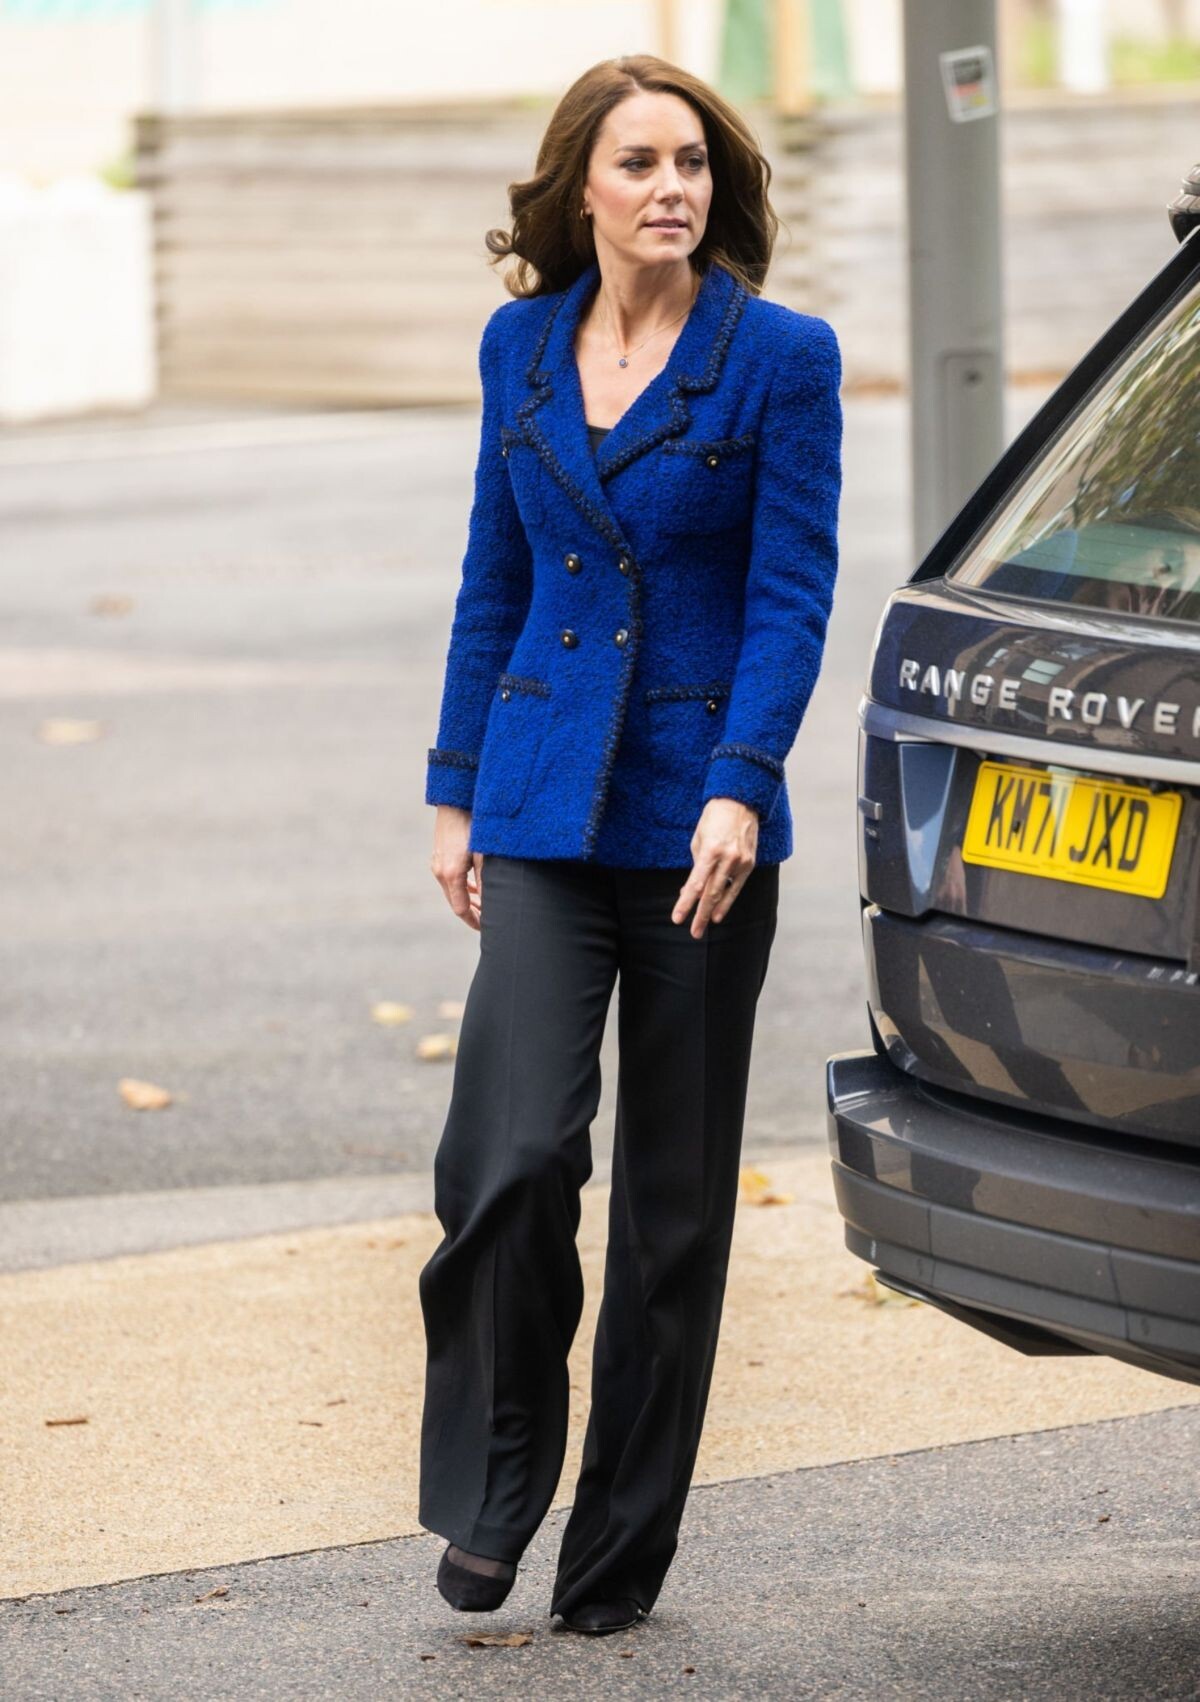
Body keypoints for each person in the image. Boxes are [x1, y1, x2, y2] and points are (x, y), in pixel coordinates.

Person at [418, 52, 842, 1636]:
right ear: (579, 190)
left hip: (698, 827)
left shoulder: (779, 359)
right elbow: (495, 572)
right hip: (538, 799)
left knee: (671, 1212)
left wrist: (742, 779)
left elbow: (793, 593)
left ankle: (615, 1552)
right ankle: (498, 1481)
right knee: (511, 1155)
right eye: (640, 162)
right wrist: (454, 786)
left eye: (693, 162)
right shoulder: (520, 346)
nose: (673, 187)